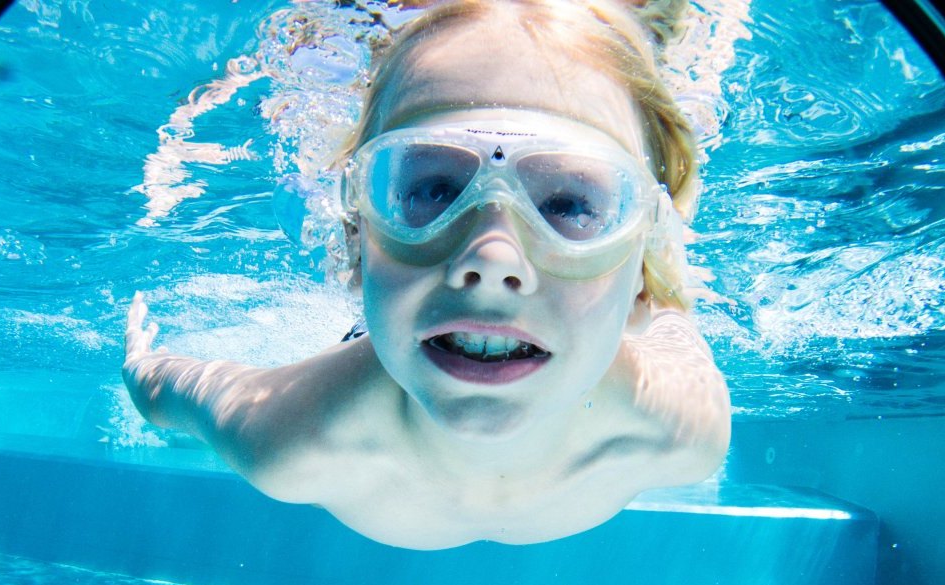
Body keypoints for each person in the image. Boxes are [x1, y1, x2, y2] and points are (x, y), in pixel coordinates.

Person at [123, 0, 730, 550]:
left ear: (643, 276)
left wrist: (673, 305)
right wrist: (140, 361)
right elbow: (169, 391)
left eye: (569, 206)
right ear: (358, 238)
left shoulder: (682, 428)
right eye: (435, 190)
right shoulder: (292, 437)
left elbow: (677, 325)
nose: (491, 261)